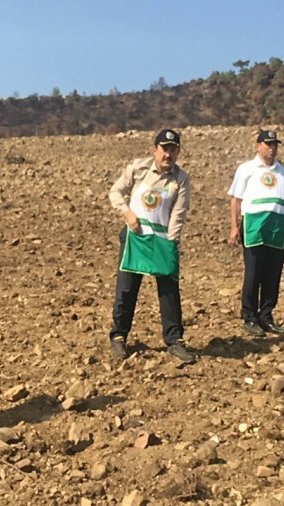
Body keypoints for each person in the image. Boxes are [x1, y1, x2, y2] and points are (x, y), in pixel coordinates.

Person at [107, 129, 195, 364]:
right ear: (154, 150)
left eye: (173, 149)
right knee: (126, 288)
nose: (168, 154)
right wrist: (127, 213)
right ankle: (118, 336)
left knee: (169, 290)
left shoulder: (181, 179)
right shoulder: (138, 169)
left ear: (178, 152)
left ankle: (175, 341)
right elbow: (115, 192)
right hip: (135, 238)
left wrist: (171, 243)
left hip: (162, 240)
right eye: (164, 148)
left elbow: (179, 212)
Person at [227, 130, 284, 336]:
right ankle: (249, 316)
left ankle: (266, 315)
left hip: (278, 228)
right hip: (254, 227)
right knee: (254, 273)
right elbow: (236, 200)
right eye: (267, 144)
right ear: (257, 146)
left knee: (273, 274)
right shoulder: (247, 169)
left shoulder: (283, 172)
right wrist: (234, 227)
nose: (272, 148)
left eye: (274, 144)